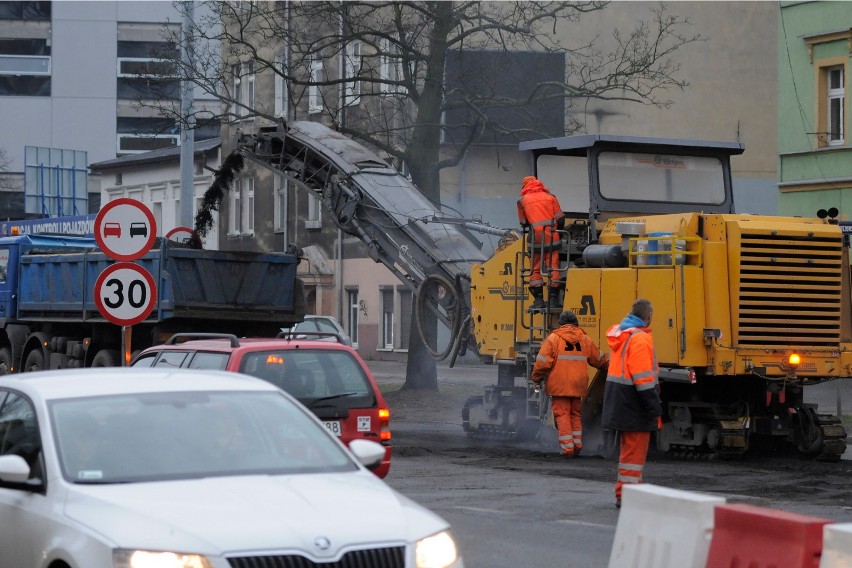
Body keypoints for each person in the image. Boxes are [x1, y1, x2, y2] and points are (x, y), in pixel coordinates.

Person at [601, 299, 662, 509]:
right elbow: (643, 379)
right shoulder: (640, 339)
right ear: (649, 316)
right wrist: (654, 407)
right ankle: (627, 494)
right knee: (634, 455)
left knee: (628, 454)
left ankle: (628, 490)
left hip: (620, 401)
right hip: (635, 404)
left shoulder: (622, 335)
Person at [531, 311, 608, 457]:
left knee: (562, 414)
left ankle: (568, 449)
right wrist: (611, 367)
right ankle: (577, 445)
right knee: (575, 414)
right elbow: (599, 360)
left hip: (560, 384)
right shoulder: (584, 339)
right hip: (578, 385)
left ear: (560, 324)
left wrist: (536, 378)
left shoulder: (553, 339)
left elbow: (542, 363)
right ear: (576, 324)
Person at [516, 175, 564, 311]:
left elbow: (523, 223)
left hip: (536, 240)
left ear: (524, 186)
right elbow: (560, 219)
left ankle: (538, 301)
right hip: (553, 238)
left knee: (535, 269)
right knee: (554, 268)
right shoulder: (551, 197)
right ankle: (554, 299)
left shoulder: (522, 201)